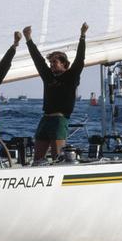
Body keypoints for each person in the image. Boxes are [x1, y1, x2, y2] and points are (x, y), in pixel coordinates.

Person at [23, 23, 87, 163]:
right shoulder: (48, 76)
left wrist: (82, 36)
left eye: (55, 62)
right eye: (51, 62)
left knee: (57, 158)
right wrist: (28, 39)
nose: (51, 65)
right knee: (37, 159)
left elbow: (80, 59)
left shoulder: (72, 76)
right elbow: (37, 60)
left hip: (59, 120)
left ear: (64, 64)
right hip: (45, 119)